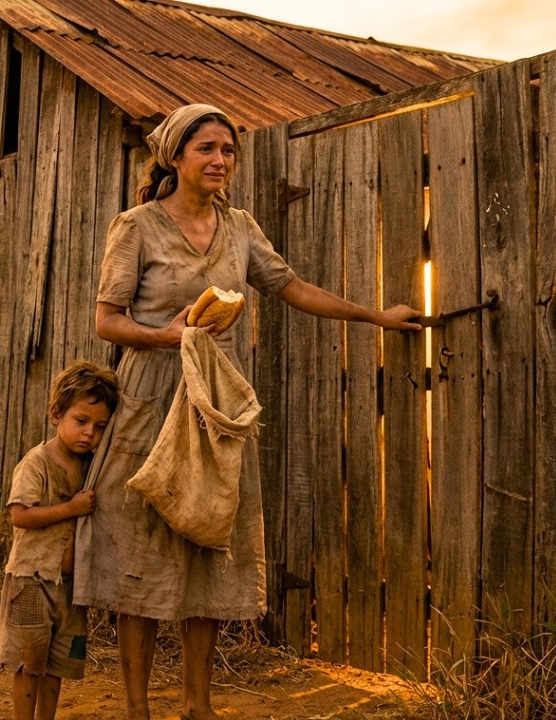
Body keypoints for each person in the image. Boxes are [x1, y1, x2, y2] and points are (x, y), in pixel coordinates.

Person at [73, 103, 422, 720]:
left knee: (212, 542)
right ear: (175, 157)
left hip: (220, 403)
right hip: (151, 399)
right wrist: (167, 335)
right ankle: (135, 709)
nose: (219, 160)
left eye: (228, 150)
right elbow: (108, 319)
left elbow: (292, 287)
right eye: (206, 148)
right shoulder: (137, 226)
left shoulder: (239, 227)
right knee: (141, 553)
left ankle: (197, 706)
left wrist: (375, 316)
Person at [0, 360, 120, 720]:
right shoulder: (36, 463)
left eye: (99, 428)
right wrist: (72, 507)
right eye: (81, 422)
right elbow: (20, 515)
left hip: (70, 587)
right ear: (55, 415)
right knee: (29, 661)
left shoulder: (91, 466)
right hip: (31, 581)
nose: (89, 434)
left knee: (58, 664)